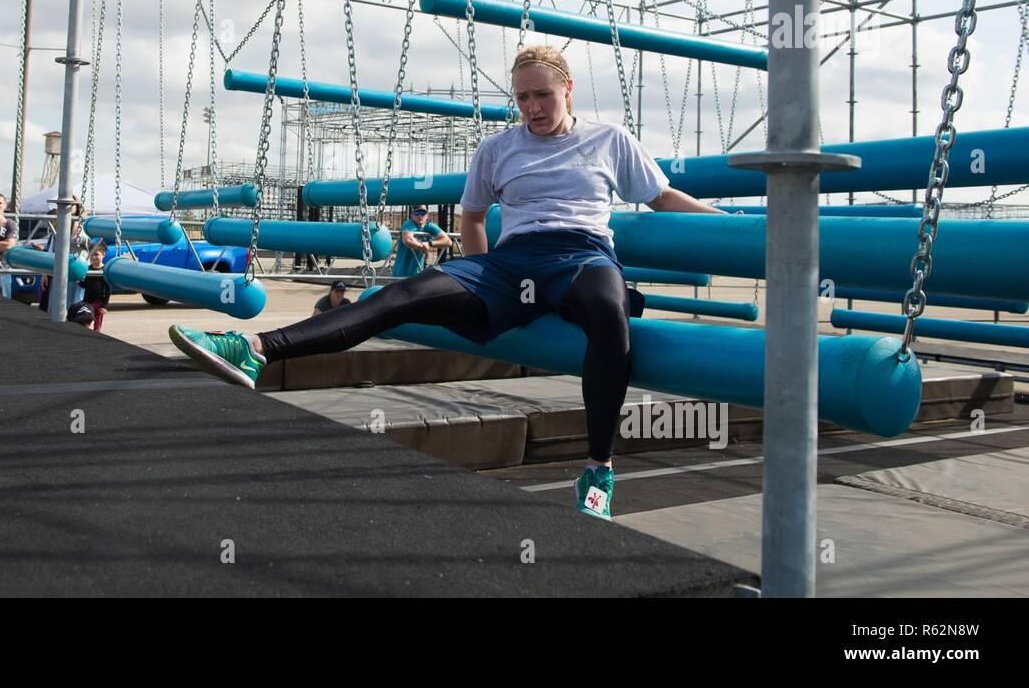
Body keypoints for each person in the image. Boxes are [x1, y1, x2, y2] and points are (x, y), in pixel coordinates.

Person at [169, 45, 725, 522]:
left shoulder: (609, 140)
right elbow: (474, 219)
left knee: (609, 311)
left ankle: (598, 470)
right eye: (523, 97)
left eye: (543, 96)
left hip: (582, 254)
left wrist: (729, 227)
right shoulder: (498, 149)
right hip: (510, 262)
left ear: (568, 90)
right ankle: (257, 348)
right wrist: (487, 285)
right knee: (398, 295)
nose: (532, 108)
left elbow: (661, 197)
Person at [391, 206, 452, 277]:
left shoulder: (429, 226)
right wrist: (422, 247)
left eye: (423, 213)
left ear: (427, 215)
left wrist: (429, 243)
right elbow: (407, 240)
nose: (420, 215)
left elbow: (448, 241)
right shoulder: (408, 224)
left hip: (417, 273)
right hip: (401, 272)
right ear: (412, 215)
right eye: (417, 213)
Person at [78, 241, 112, 331]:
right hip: (87, 301)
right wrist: (78, 281)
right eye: (92, 255)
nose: (93, 257)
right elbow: (85, 285)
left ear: (103, 254)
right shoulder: (87, 269)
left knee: (97, 325)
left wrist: (105, 306)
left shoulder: (105, 270)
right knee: (84, 321)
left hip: (99, 302)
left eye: (96, 254)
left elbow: (108, 290)